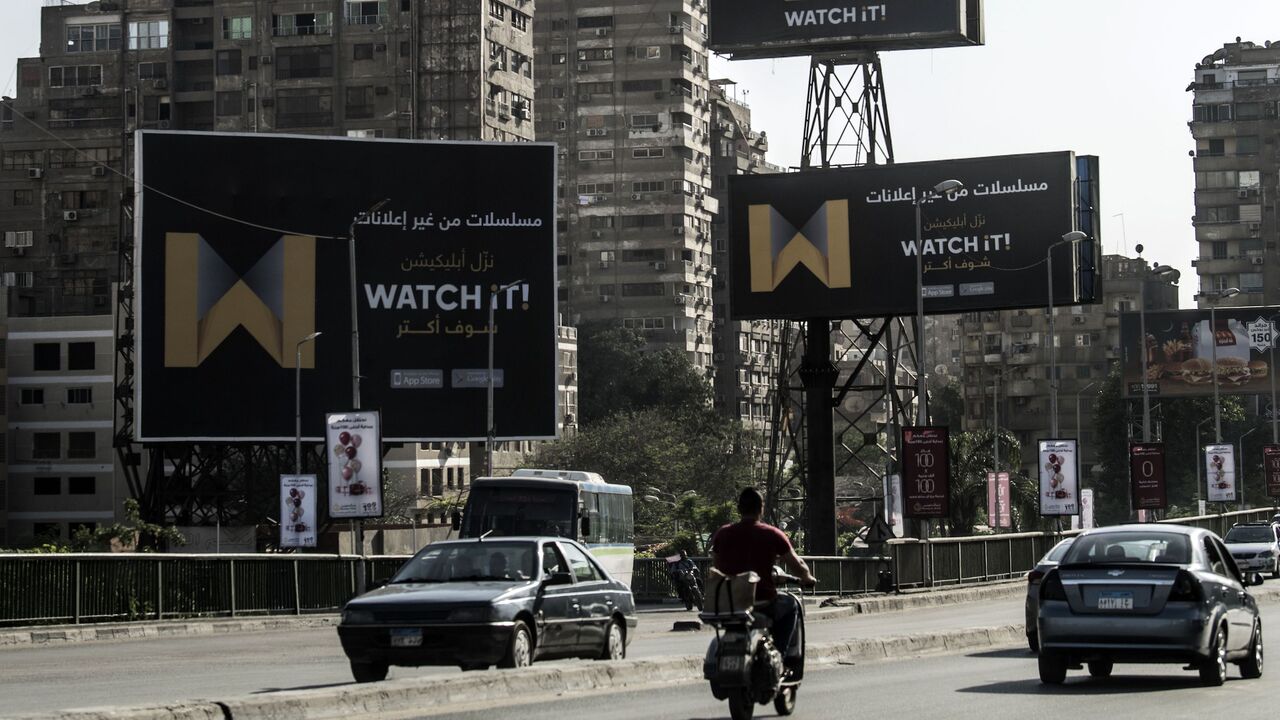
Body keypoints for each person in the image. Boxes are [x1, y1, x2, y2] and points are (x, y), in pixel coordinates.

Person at [710, 487, 816, 672]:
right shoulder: (772, 534)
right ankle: (780, 658)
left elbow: (716, 567)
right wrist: (807, 577)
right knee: (791, 605)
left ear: (739, 509)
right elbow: (796, 565)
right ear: (761, 509)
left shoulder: (723, 534)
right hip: (763, 602)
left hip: (732, 603)